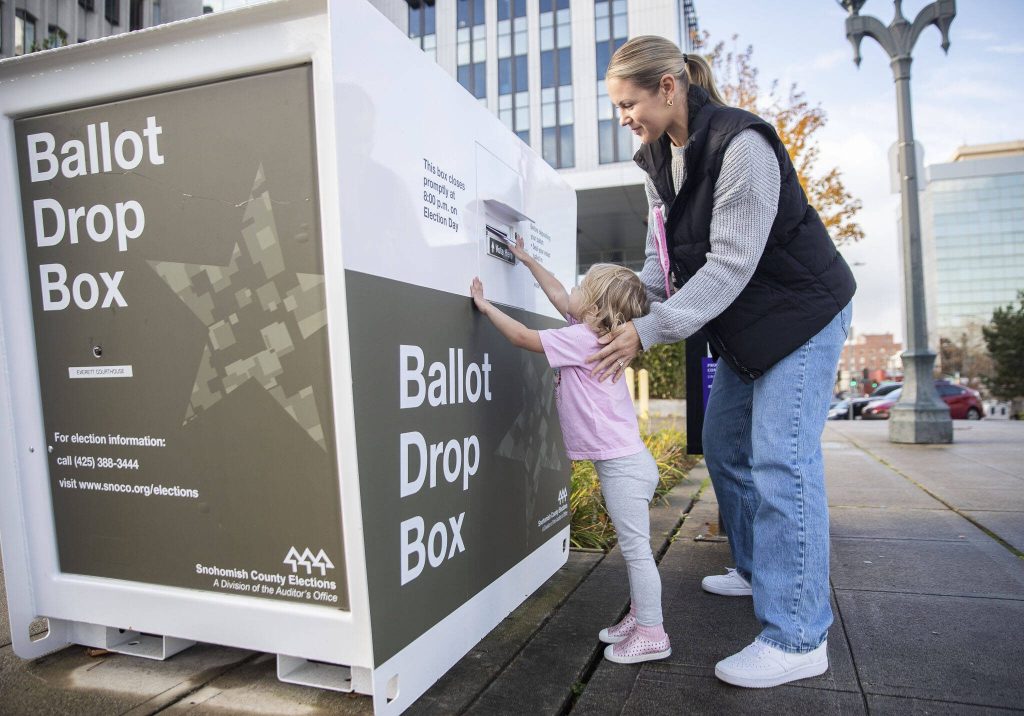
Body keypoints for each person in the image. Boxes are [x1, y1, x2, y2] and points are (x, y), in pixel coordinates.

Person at [588, 35, 855, 688]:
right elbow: (661, 264)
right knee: (724, 443)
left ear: (668, 87)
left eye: (628, 104)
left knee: (781, 460)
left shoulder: (742, 145)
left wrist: (647, 332)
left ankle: (797, 635)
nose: (623, 118)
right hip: (751, 325)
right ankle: (760, 571)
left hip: (803, 313)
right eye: (617, 107)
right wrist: (607, 308)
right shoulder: (657, 158)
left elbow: (729, 266)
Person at [470, 237, 670, 664]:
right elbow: (560, 293)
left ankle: (653, 632)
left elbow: (522, 337)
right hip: (625, 461)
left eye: (583, 286)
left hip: (624, 468)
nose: (572, 289)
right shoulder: (595, 331)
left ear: (594, 308)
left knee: (637, 552)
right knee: (635, 549)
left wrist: (485, 308)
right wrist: (527, 260)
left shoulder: (582, 339)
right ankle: (640, 616)